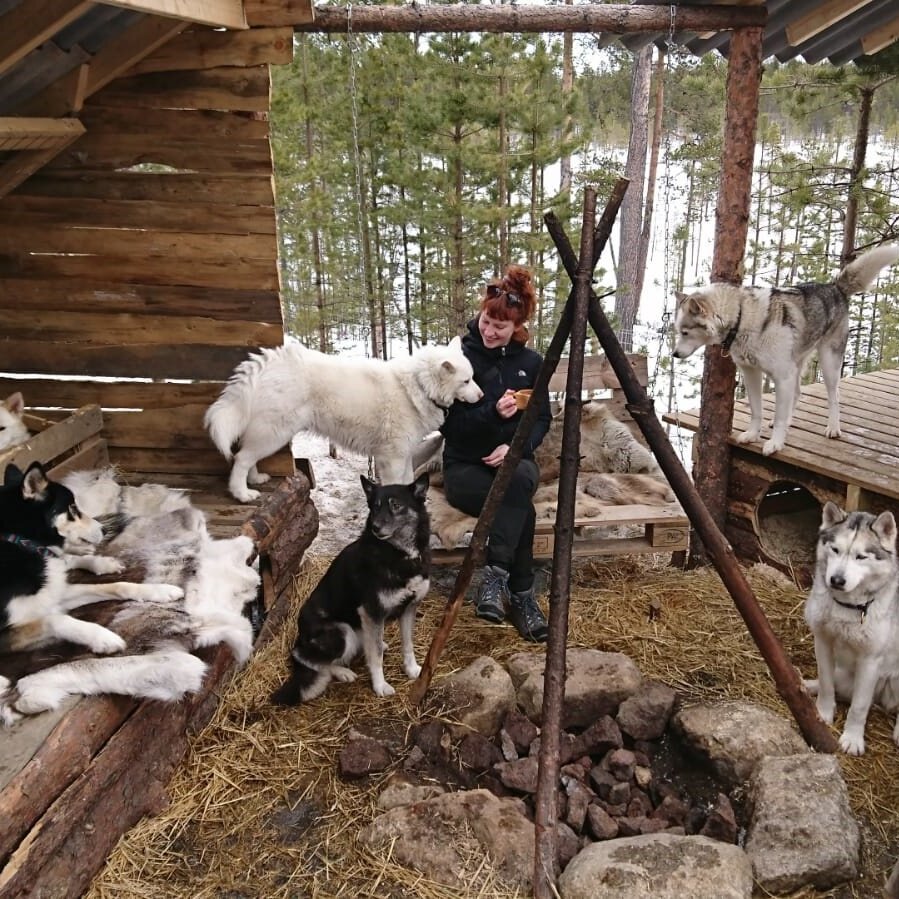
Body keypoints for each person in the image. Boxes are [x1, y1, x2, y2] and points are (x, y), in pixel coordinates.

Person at [439, 264, 553, 643]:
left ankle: (494, 577)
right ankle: (522, 596)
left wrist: (514, 447)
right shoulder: (458, 357)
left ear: (517, 327)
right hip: (465, 468)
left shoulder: (531, 364)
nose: (489, 331)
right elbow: (449, 427)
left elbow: (541, 420)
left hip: (517, 462)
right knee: (521, 504)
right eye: (487, 321)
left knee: (517, 479)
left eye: (499, 327)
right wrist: (491, 413)